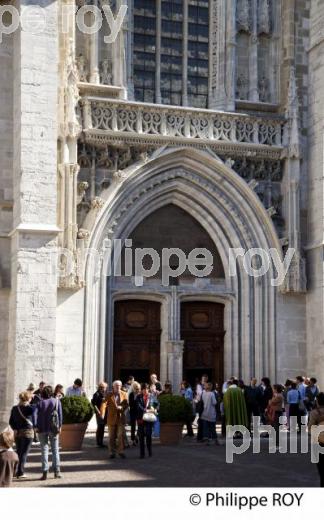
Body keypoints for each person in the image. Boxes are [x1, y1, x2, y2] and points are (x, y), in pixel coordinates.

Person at [34, 385, 63, 480]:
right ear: (51, 393)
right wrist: (60, 426)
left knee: (44, 450)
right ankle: (57, 471)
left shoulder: (40, 403)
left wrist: (35, 426)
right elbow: (60, 414)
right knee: (55, 450)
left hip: (41, 428)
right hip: (54, 428)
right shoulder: (56, 401)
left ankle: (45, 471)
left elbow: (34, 414)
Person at [9, 391, 35, 478]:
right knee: (24, 453)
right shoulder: (30, 408)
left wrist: (15, 429)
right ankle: (20, 472)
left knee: (18, 452)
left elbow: (11, 421)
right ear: (28, 399)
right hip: (28, 432)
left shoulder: (15, 408)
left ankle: (13, 471)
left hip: (18, 433)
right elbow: (36, 407)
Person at [100, 380, 128, 459]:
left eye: (119, 385)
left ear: (121, 386)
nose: (118, 387)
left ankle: (121, 451)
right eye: (116, 385)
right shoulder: (109, 394)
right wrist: (102, 413)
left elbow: (126, 404)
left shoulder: (124, 394)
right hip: (111, 418)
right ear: (113, 387)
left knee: (120, 436)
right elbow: (104, 403)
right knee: (111, 436)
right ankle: (111, 452)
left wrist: (122, 407)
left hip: (120, 418)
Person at [136, 383, 156, 458]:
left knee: (148, 435)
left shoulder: (152, 396)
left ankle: (150, 451)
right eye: (144, 389)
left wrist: (155, 409)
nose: (145, 390)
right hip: (141, 418)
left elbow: (156, 404)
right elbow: (138, 406)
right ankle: (142, 454)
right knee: (141, 436)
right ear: (142, 390)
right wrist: (145, 410)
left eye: (147, 389)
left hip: (149, 418)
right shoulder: (138, 397)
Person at [308, 392, 324, 487]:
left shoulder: (314, 413)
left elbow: (310, 428)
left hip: (319, 443)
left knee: (322, 470)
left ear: (317, 401)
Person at [91, 382, 108, 448]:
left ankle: (101, 442)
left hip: (104, 412)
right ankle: (99, 442)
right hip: (99, 413)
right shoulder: (96, 394)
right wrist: (98, 412)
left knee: (102, 427)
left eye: (105, 387)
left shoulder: (104, 393)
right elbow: (94, 404)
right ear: (100, 387)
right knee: (100, 427)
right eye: (104, 387)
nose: (105, 389)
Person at [129, 381, 141, 446]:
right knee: (133, 426)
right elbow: (131, 404)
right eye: (136, 389)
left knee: (140, 425)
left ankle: (137, 436)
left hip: (139, 412)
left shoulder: (140, 395)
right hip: (133, 412)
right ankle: (133, 439)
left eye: (138, 389)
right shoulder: (131, 394)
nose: (138, 390)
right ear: (134, 388)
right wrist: (136, 400)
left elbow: (141, 403)